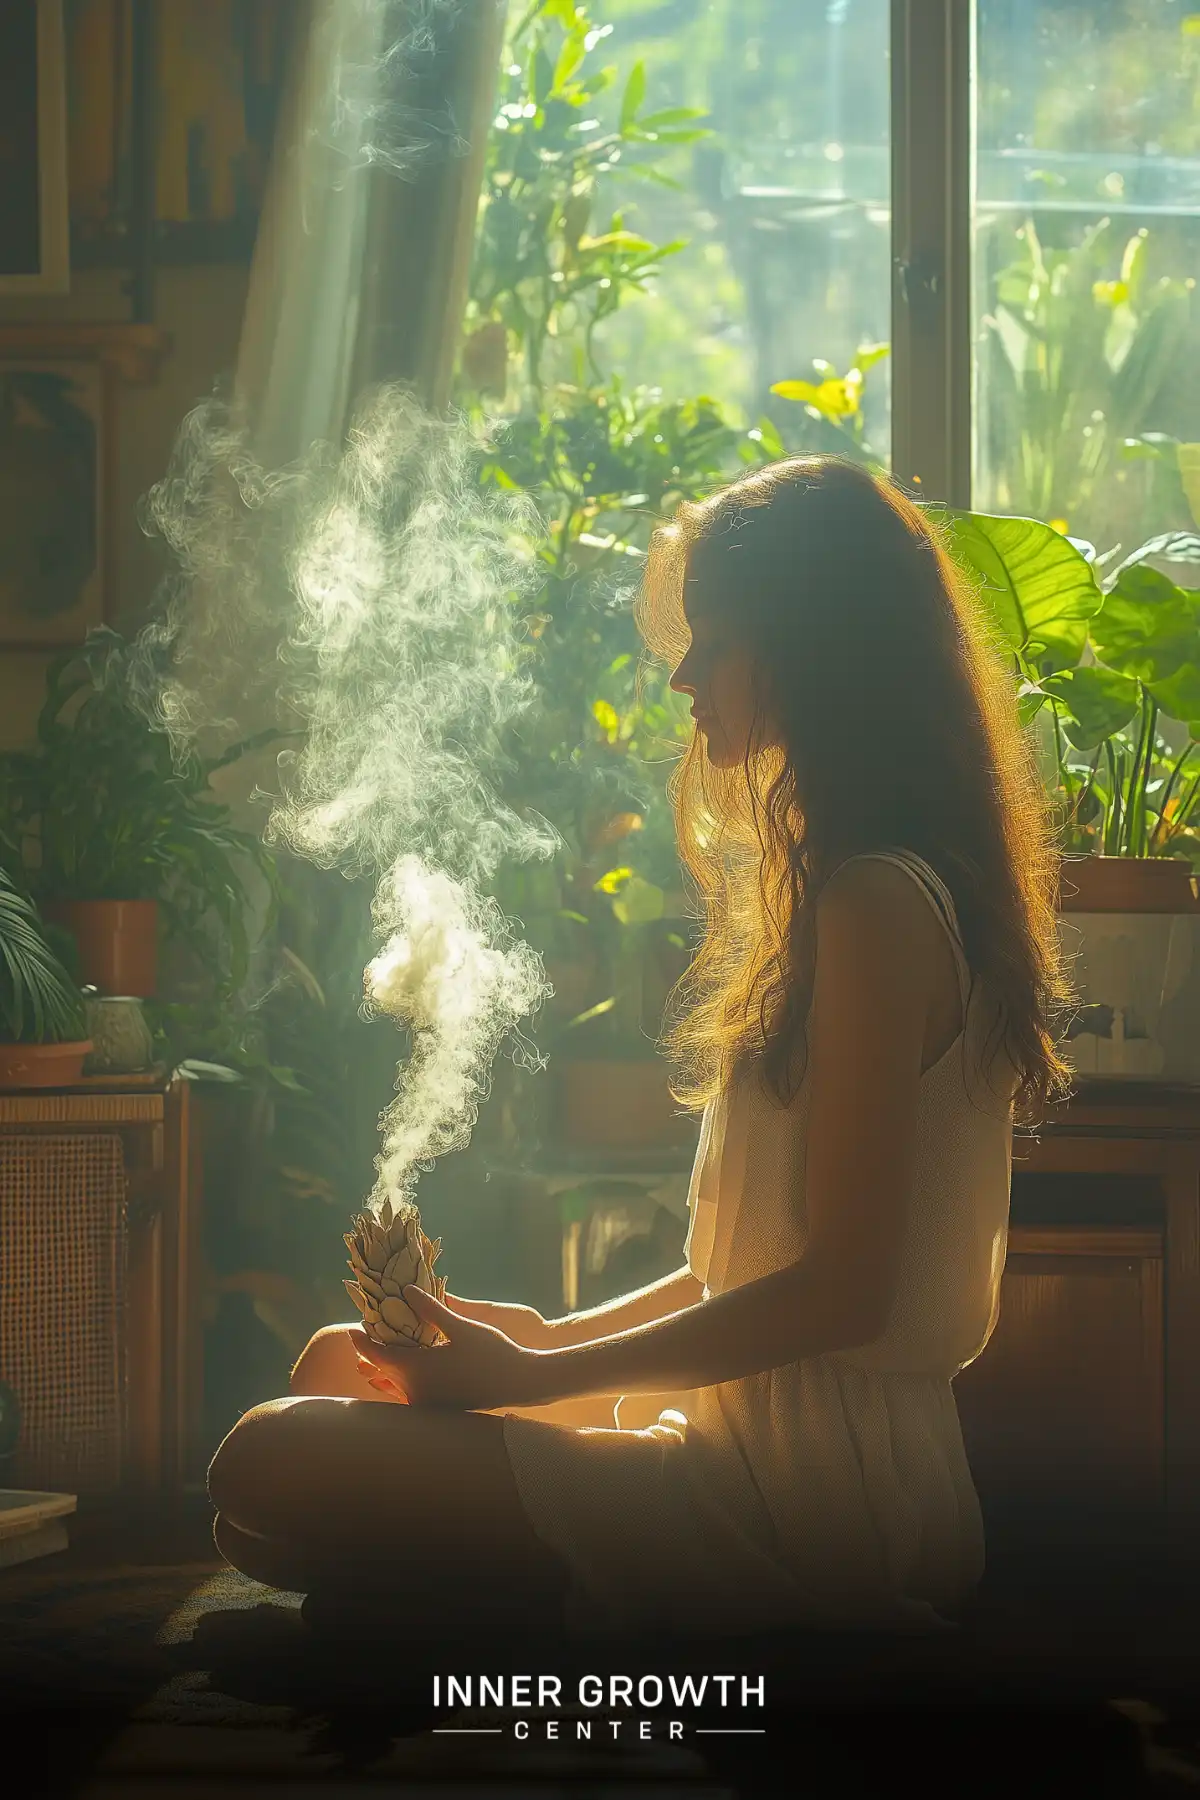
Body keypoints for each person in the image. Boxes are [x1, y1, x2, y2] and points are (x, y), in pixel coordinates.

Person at [207, 454, 1072, 1642]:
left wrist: (524, 1385)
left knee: (264, 1466)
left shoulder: (877, 904)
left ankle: (562, 1587)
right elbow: (752, 1272)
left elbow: (843, 1294)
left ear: (812, 648)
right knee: (323, 1372)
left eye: (713, 640)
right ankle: (528, 1578)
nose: (682, 676)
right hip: (756, 1434)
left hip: (817, 1497)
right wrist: (546, 1339)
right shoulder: (858, 891)